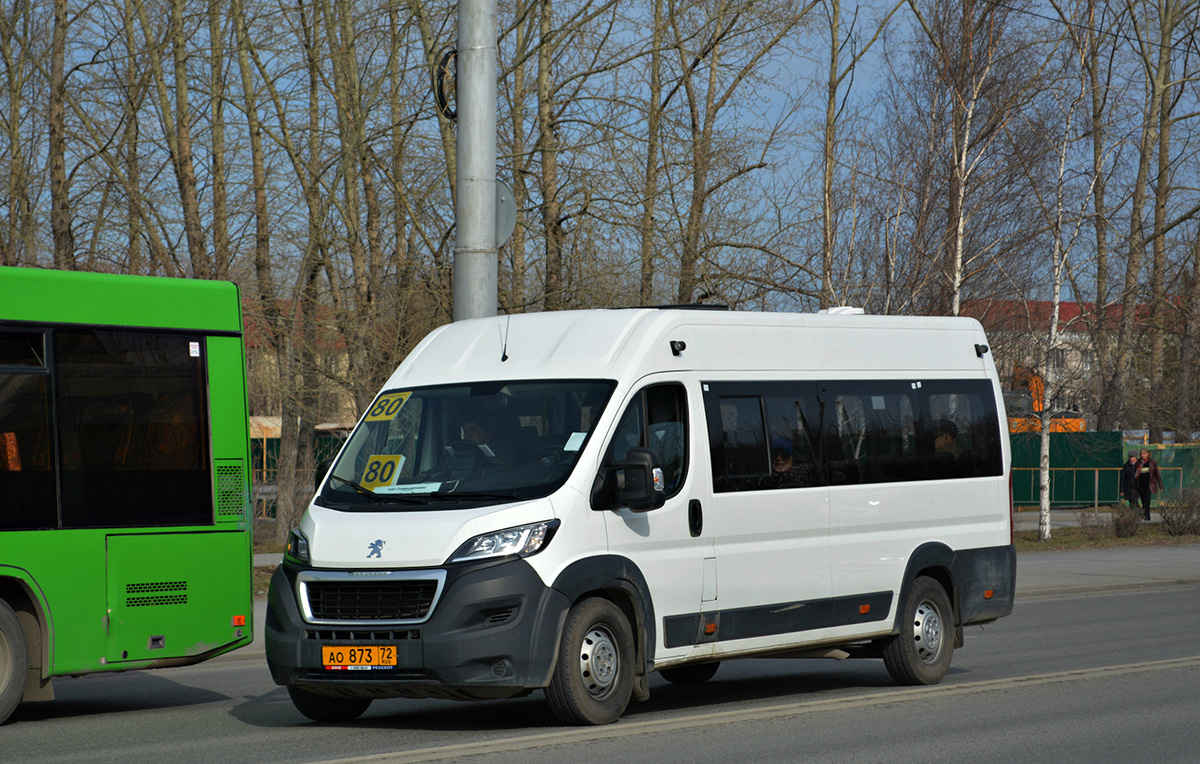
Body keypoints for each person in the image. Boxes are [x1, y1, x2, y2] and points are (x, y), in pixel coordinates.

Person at [1133, 448, 1162, 521]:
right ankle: (1142, 514)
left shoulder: (1152, 462)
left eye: (1145, 453)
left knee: (1147, 501)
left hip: (1149, 485)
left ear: (1148, 454)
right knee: (1139, 500)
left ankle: (1147, 517)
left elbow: (1157, 474)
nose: (1143, 455)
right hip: (1140, 485)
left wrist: (1160, 485)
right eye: (1142, 454)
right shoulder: (1138, 463)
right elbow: (1135, 475)